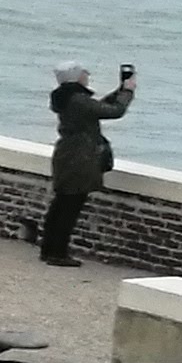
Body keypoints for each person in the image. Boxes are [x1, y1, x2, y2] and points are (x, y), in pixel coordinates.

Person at [41, 61, 134, 265]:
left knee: (60, 205)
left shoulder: (67, 98)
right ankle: (58, 254)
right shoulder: (78, 100)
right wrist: (127, 93)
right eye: (84, 73)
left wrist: (119, 90)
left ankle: (49, 249)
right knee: (70, 207)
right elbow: (114, 111)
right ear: (76, 76)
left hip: (67, 155)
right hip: (79, 158)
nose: (87, 76)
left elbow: (98, 107)